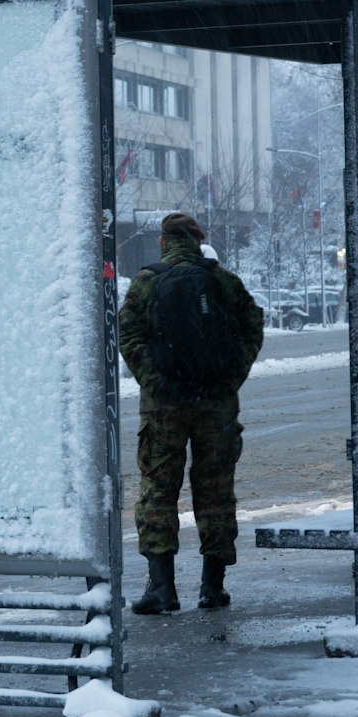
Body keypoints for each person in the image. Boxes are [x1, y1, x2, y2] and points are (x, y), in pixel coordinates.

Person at [118, 212, 264, 614]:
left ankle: (162, 588)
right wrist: (230, 376)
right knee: (215, 492)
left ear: (164, 242)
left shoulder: (147, 281)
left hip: (164, 407)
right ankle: (211, 588)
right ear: (197, 242)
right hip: (215, 406)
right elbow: (253, 325)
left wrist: (155, 380)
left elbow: (127, 333)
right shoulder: (222, 280)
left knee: (158, 492)